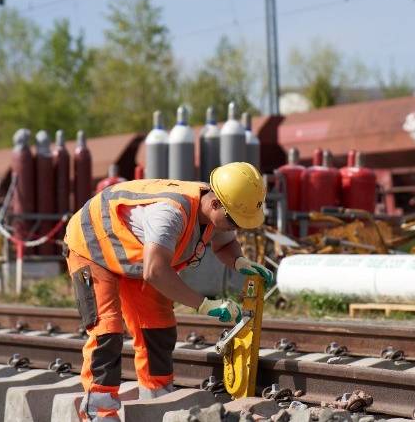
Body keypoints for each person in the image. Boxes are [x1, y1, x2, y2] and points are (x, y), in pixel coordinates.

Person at [62, 162, 274, 422]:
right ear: (215, 203)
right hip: (92, 245)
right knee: (107, 331)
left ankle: (156, 396)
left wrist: (239, 262)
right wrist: (204, 304)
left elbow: (224, 244)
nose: (235, 227)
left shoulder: (215, 213)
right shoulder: (169, 215)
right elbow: (155, 272)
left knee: (157, 327)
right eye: (233, 220)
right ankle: (99, 411)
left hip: (133, 256)